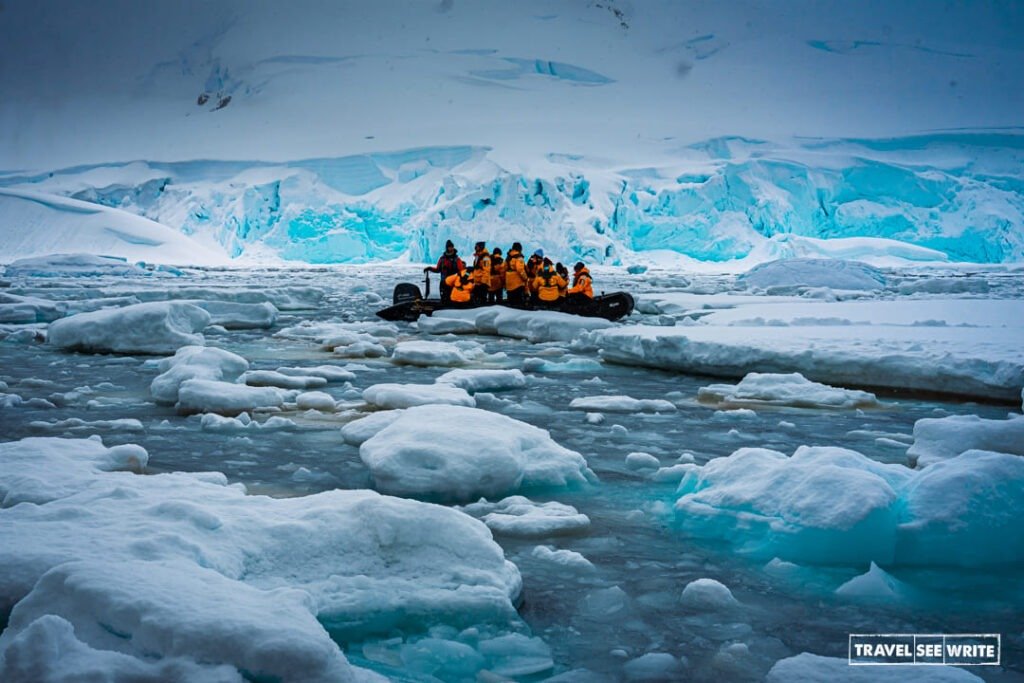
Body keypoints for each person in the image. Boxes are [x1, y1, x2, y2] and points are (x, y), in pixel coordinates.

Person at [424, 240, 464, 305]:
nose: (451, 248)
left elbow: (461, 271)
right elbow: (438, 269)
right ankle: (443, 310)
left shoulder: (457, 259)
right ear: (447, 248)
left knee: (452, 299)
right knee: (444, 298)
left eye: (452, 247)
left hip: (453, 283)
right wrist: (430, 268)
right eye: (449, 247)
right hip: (444, 282)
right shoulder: (442, 259)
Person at [504, 242, 529, 307]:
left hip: (509, 282)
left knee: (511, 302)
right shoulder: (519, 258)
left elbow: (504, 268)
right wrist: (525, 278)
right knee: (518, 303)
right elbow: (520, 269)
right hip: (517, 283)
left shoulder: (508, 257)